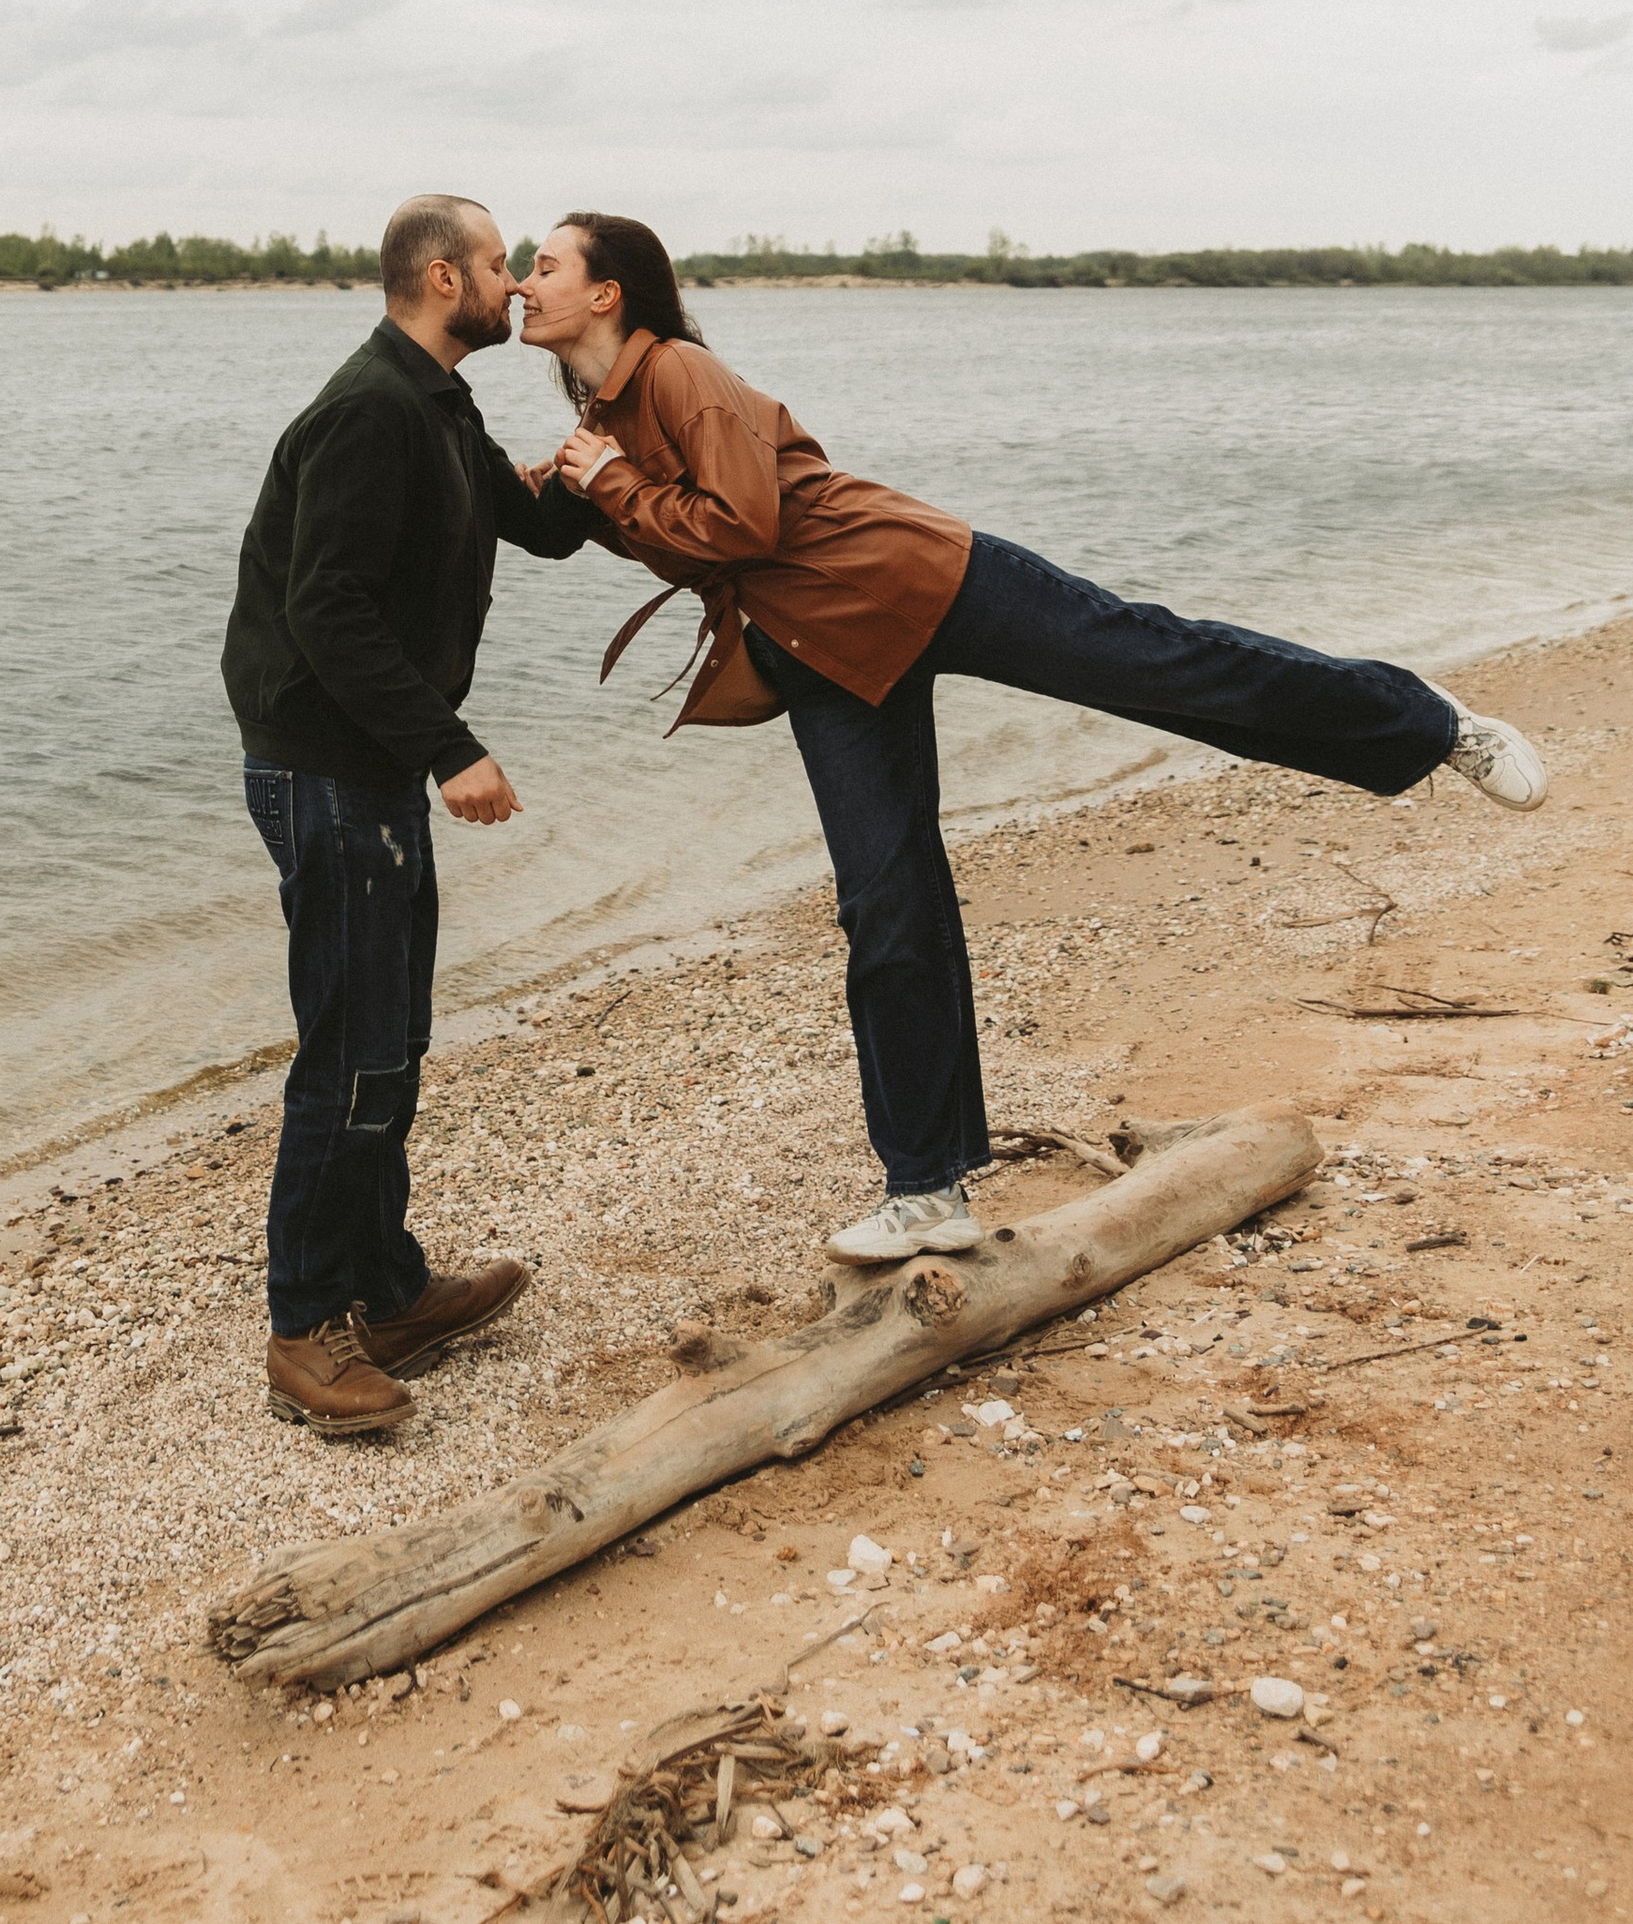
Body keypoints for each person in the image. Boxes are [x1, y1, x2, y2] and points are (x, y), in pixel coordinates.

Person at [517, 211, 1549, 1268]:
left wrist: (610, 484)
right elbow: (555, 520)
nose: (521, 282)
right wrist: (443, 435)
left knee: (1166, 665)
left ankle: (1432, 725)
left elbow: (745, 526)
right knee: (885, 902)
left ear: (605, 294)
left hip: (919, 576)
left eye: (542, 266)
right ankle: (925, 1192)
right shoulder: (602, 419)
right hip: (822, 652)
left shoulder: (679, 373)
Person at [222, 192, 589, 1436]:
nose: (514, 287)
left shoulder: (437, 401)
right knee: (348, 1049)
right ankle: (303, 1331)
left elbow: (534, 528)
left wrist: (609, 427)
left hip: (367, 764)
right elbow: (326, 612)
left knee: (396, 1035)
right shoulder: (369, 411)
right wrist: (451, 750)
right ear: (442, 278)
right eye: (499, 266)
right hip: (325, 765)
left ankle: (383, 1289)